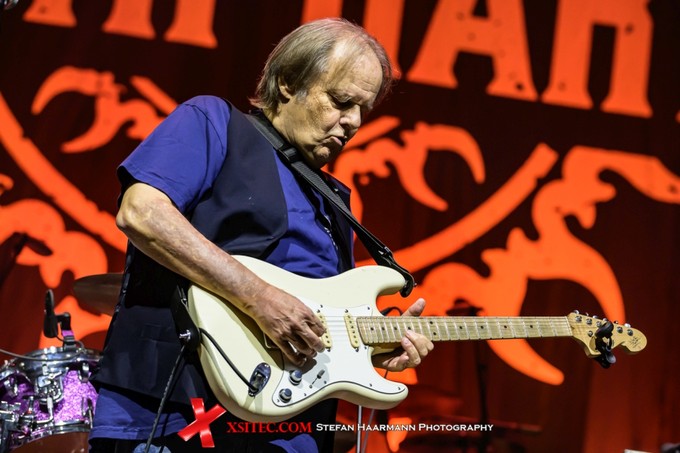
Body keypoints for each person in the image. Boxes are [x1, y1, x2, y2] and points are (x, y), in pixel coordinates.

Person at [89, 18, 434, 453]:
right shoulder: (213, 122)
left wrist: (370, 350)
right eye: (341, 101)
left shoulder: (335, 201)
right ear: (288, 83)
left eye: (364, 110)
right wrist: (260, 297)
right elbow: (141, 213)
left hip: (290, 434)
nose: (352, 123)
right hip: (174, 414)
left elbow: (315, 326)